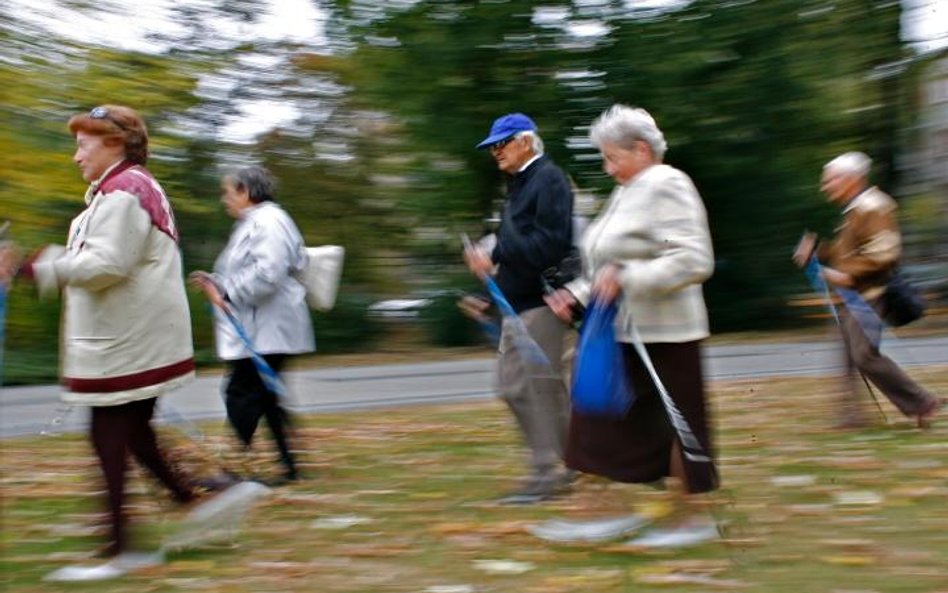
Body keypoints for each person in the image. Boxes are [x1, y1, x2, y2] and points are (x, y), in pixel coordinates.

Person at [8, 105, 261, 564]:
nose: (75, 156)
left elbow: (106, 265)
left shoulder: (125, 190)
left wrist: (31, 267)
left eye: (83, 145)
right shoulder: (119, 190)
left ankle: (121, 549)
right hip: (132, 336)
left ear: (115, 143)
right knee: (133, 434)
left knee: (110, 435)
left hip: (129, 339)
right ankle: (207, 494)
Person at [545, 104, 719, 548]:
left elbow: (695, 259)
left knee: (679, 426)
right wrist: (578, 293)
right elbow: (610, 263)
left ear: (640, 149)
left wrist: (628, 281)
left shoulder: (668, 183)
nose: (607, 168)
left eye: (611, 157)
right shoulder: (628, 190)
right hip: (621, 331)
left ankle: (691, 519)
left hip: (668, 333)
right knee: (597, 420)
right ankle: (602, 513)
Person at [464, 113, 575, 504]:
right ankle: (568, 462)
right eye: (493, 146)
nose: (495, 151)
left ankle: (552, 472)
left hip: (542, 303)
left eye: (502, 143)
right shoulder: (518, 185)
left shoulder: (548, 179)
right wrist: (487, 258)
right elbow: (516, 242)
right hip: (516, 305)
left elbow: (550, 244)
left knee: (538, 389)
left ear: (526, 142)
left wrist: (498, 250)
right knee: (513, 386)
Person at [793, 152, 944, 429]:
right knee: (849, 358)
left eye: (831, 181)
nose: (825, 187)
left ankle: (922, 402)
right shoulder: (855, 210)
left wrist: (847, 276)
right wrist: (818, 250)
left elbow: (885, 253)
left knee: (863, 356)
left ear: (851, 179)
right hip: (853, 296)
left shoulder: (875, 206)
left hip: (870, 295)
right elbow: (846, 253)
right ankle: (852, 418)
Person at [191, 166, 314, 485]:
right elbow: (252, 271)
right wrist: (217, 282)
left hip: (267, 330)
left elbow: (268, 273)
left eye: (228, 193)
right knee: (266, 399)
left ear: (246, 191)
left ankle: (230, 470)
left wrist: (226, 291)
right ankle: (290, 468)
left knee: (241, 393)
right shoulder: (259, 222)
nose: (224, 200)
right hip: (264, 329)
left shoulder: (268, 221)